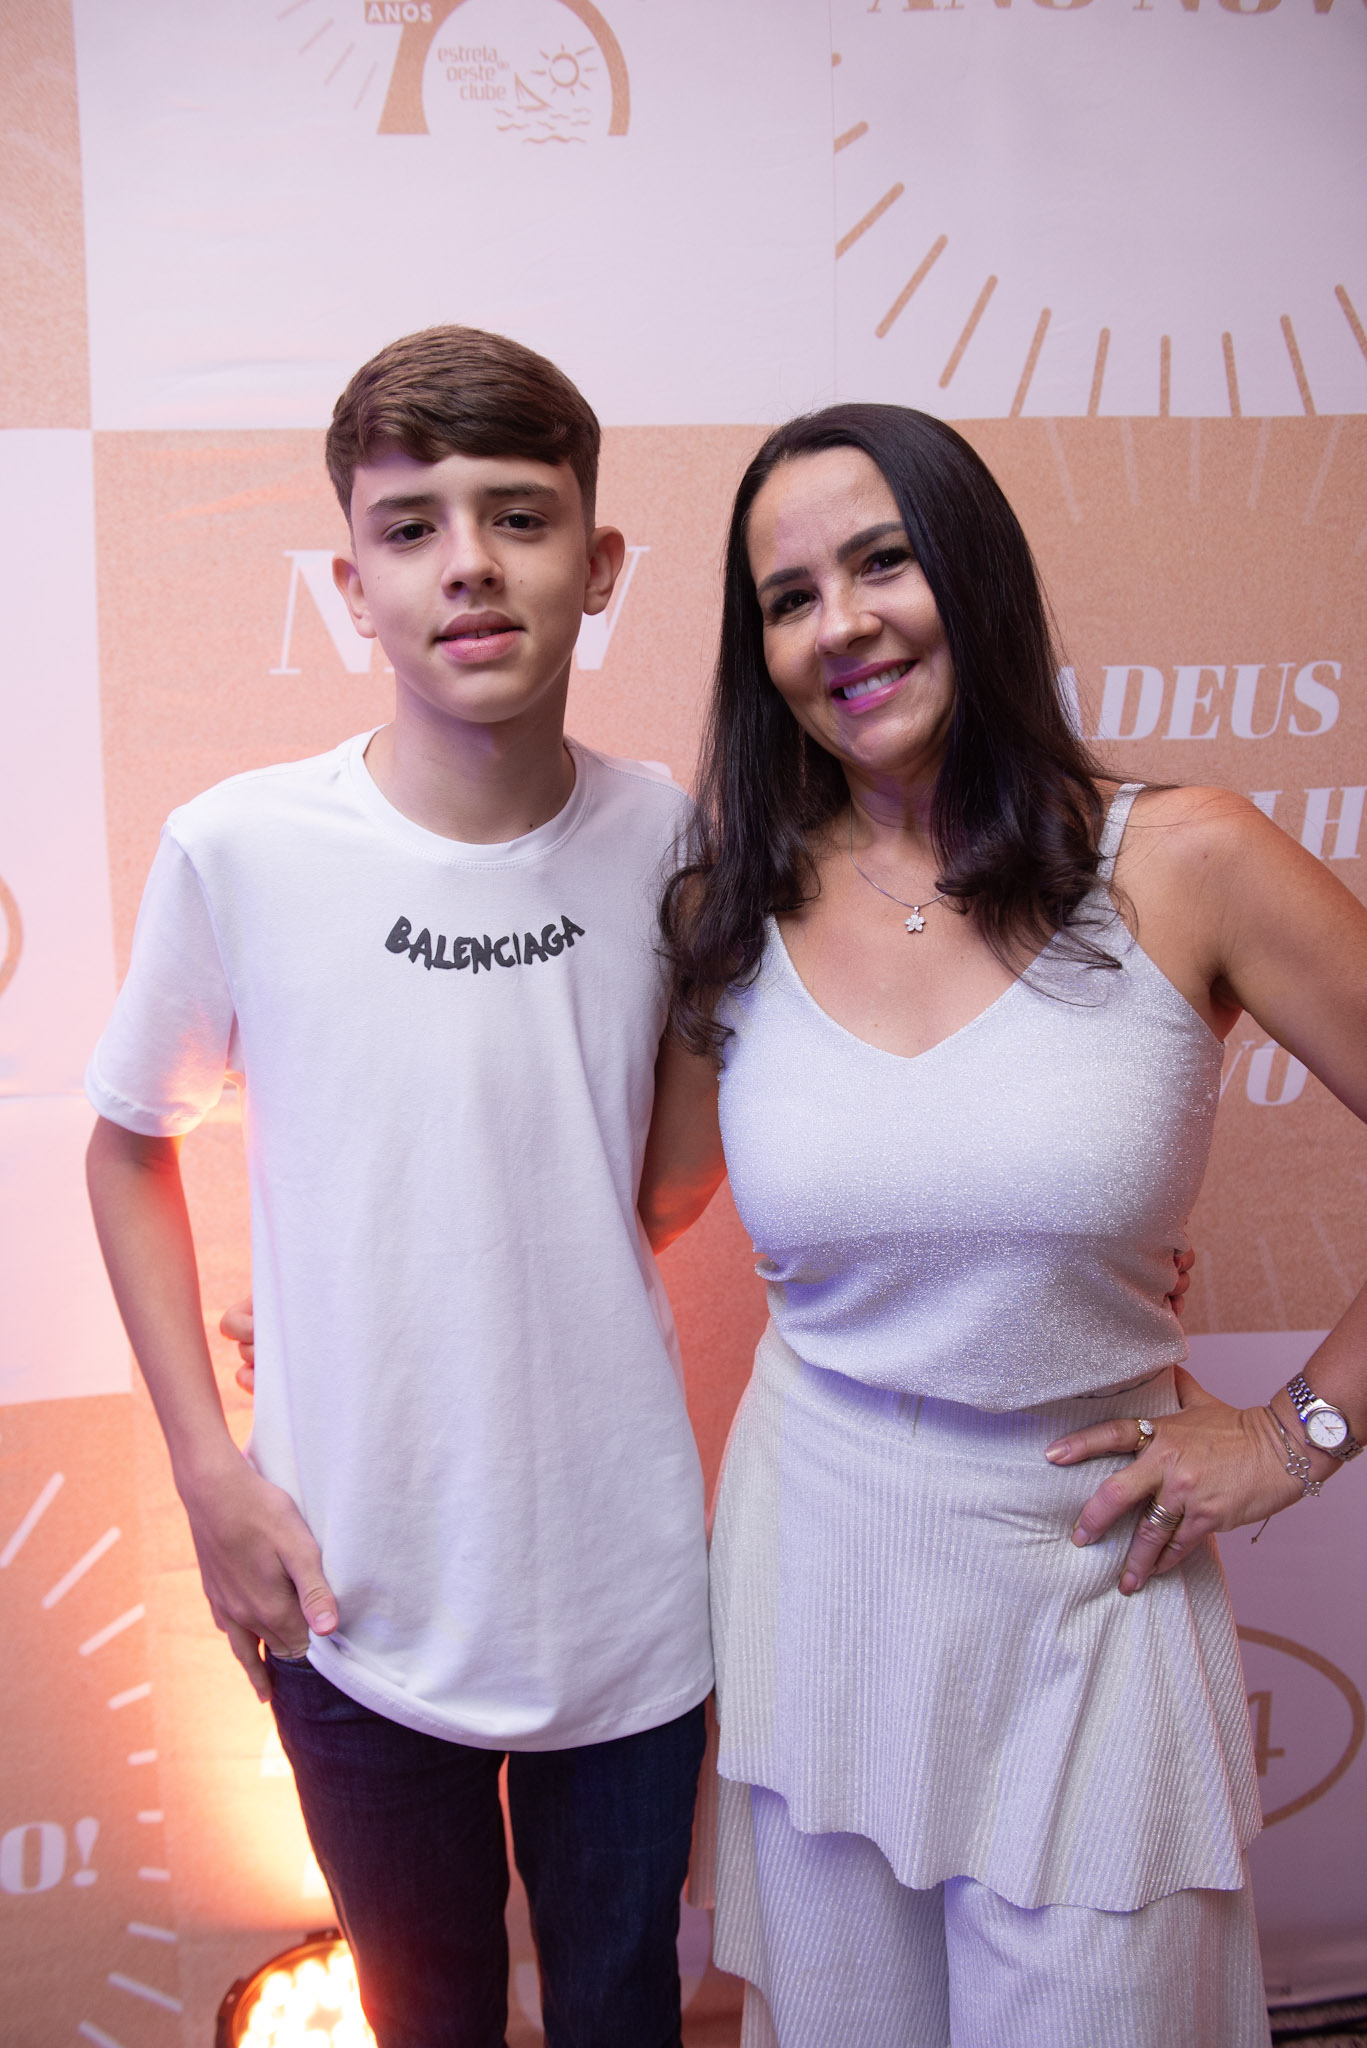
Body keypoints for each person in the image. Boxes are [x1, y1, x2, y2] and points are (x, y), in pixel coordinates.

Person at [646, 403, 1367, 2048]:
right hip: (814, 1583)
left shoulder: (1184, 859)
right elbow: (622, 1208)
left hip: (1089, 1591)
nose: (842, 625)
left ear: (972, 571)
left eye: (883, 561)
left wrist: (1298, 1434)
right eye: (789, 597)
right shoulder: (728, 911)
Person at [83, 325, 716, 2048]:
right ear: (352, 584)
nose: (470, 565)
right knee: (425, 2016)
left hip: (626, 1598)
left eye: (518, 515)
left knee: (619, 2011)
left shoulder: (673, 843)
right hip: (347, 1594)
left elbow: (658, 1185)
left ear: (601, 562)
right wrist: (208, 1475)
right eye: (412, 526)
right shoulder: (240, 847)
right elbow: (128, 1145)